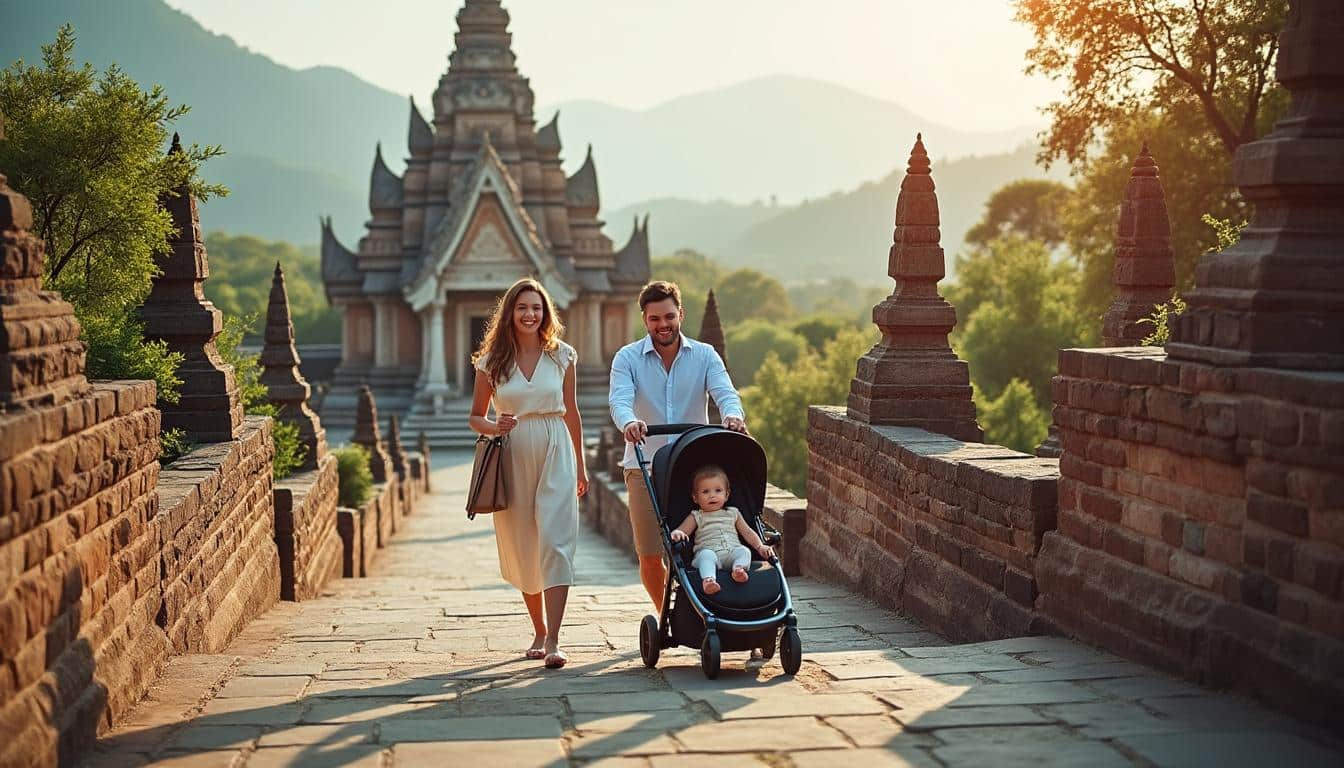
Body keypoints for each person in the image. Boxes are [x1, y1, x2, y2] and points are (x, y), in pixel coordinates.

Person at [469, 277, 588, 669]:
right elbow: (475, 417)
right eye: (522, 307)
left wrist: (581, 464)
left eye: (536, 308)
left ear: (545, 313)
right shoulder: (492, 361)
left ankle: (554, 639)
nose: (530, 314)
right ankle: (538, 628)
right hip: (513, 451)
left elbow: (571, 412)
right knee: (524, 545)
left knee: (556, 541)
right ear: (510, 313)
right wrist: (495, 425)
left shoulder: (563, 356)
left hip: (556, 447)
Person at [609, 280, 747, 609]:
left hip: (693, 468)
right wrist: (629, 423)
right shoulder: (627, 358)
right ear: (645, 320)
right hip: (644, 465)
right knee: (649, 554)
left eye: (669, 316)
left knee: (702, 547)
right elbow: (619, 400)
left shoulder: (704, 355)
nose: (663, 324)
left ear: (680, 314)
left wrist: (732, 416)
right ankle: (667, 616)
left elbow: (725, 392)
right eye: (655, 318)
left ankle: (710, 608)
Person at [671, 465, 774, 595]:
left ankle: (738, 569)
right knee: (706, 556)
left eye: (718, 490)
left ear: (726, 495)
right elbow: (682, 530)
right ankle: (708, 580)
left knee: (744, 551)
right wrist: (677, 533)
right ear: (695, 498)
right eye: (705, 492)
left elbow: (747, 532)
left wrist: (760, 546)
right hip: (709, 554)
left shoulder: (733, 513)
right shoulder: (696, 516)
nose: (712, 496)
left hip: (732, 552)